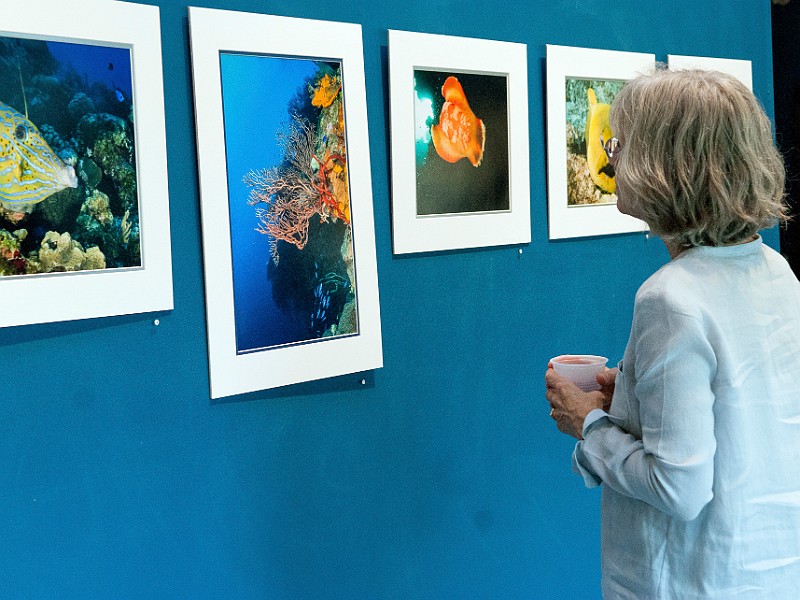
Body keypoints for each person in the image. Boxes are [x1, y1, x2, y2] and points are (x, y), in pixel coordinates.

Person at [544, 68, 800, 598]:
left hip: (687, 579)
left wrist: (588, 425)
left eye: (621, 144)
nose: (613, 156)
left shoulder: (671, 298)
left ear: (666, 166)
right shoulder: (777, 272)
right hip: (765, 569)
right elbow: (742, 418)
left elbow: (678, 488)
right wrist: (632, 404)